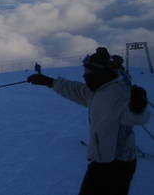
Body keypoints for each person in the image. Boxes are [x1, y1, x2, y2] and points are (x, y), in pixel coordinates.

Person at [27, 47, 150, 195]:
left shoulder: (118, 92)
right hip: (102, 159)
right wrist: (49, 81)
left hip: (117, 163)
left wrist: (138, 107)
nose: (85, 76)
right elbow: (76, 90)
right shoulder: (98, 90)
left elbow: (135, 118)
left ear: (97, 72)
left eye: (87, 72)